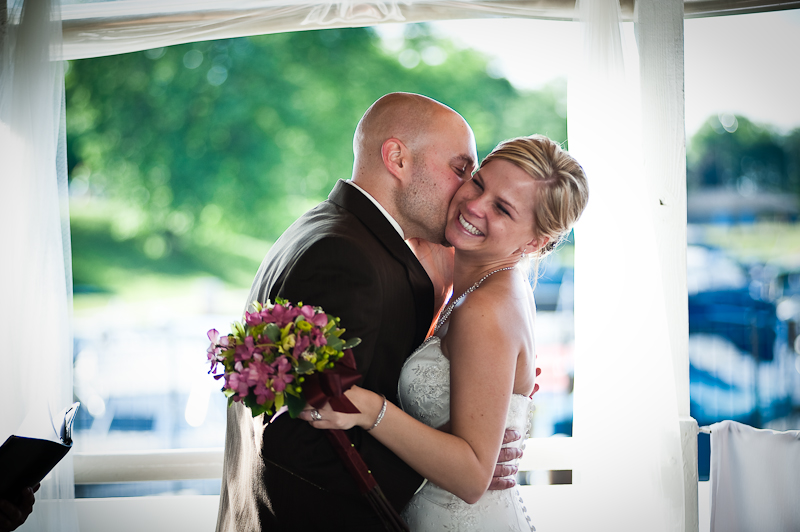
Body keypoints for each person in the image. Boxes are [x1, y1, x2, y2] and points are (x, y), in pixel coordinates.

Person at [216, 93, 525, 532]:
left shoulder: (331, 229)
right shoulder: (345, 256)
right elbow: (306, 441)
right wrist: (447, 471)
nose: (466, 191)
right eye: (461, 170)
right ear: (397, 158)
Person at [300, 135, 589, 531]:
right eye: (479, 182)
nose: (474, 205)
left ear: (536, 241)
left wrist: (370, 410)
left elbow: (472, 477)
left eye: (502, 208)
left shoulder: (486, 308)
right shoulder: (476, 276)